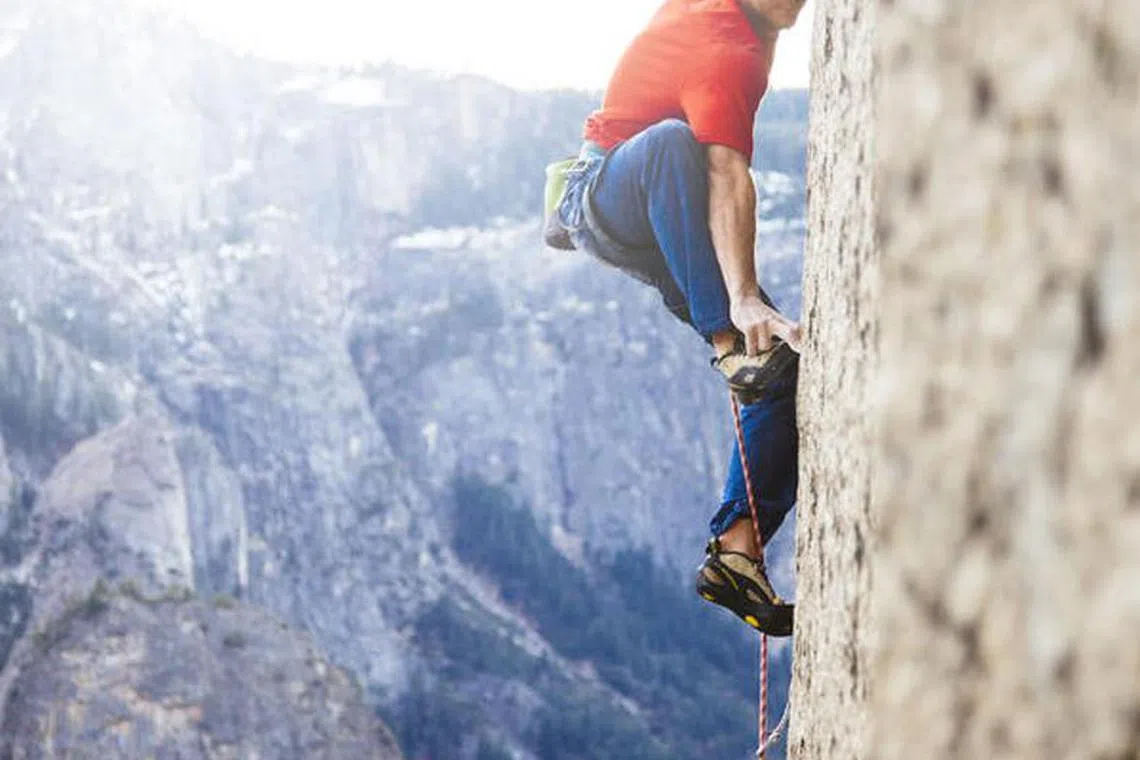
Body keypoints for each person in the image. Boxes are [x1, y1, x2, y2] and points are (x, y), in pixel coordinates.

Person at [544, 0, 807, 636]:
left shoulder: (748, 33)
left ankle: (737, 551)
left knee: (779, 366)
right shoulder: (723, 45)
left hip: (661, 214)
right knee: (669, 144)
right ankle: (728, 342)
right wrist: (739, 301)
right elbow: (725, 173)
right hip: (607, 191)